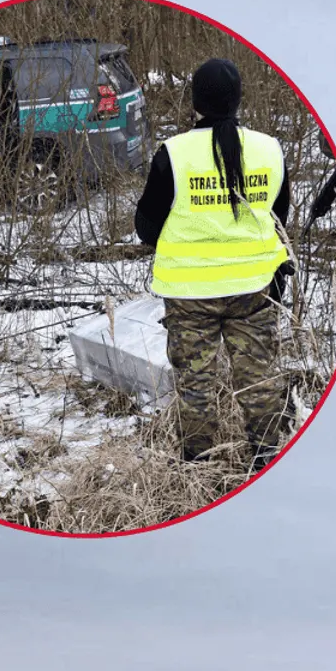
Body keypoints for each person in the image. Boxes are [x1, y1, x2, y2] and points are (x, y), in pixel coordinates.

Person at [134, 57, 295, 469]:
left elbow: (147, 226)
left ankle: (199, 464)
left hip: (189, 295)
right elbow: (279, 217)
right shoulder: (269, 149)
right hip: (254, 288)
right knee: (258, 376)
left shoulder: (173, 153)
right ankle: (266, 457)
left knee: (196, 382)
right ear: (239, 99)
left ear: (195, 102)